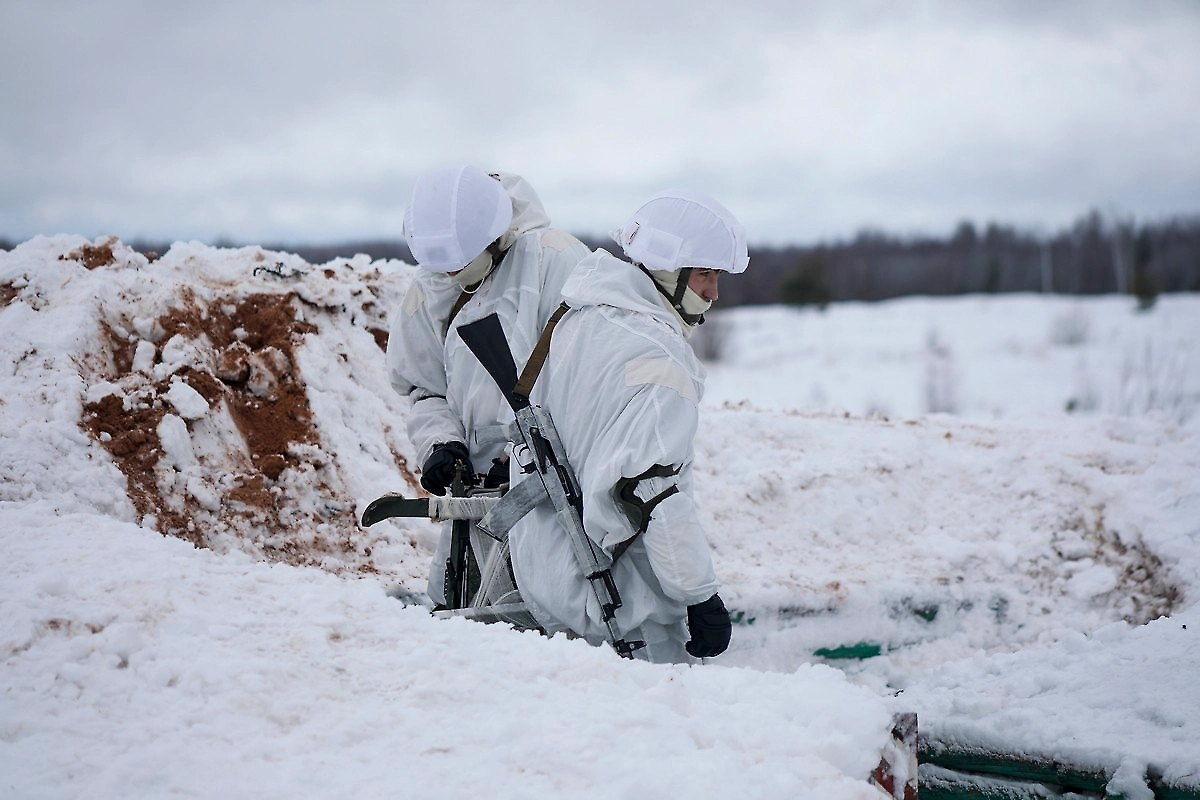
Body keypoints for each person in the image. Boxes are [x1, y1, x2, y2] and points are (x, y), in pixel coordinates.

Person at [506, 190, 748, 663]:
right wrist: (700, 596)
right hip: (624, 611)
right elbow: (650, 490)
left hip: (547, 584)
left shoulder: (573, 320)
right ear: (668, 270)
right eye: (706, 274)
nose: (714, 293)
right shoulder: (660, 359)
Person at [386, 163, 590, 607]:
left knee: (558, 614)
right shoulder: (431, 286)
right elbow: (423, 388)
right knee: (460, 613)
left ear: (491, 235)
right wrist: (441, 443)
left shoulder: (557, 262)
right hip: (474, 497)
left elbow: (586, 383)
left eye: (459, 264)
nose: (449, 275)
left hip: (555, 492)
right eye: (440, 265)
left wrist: (521, 459)